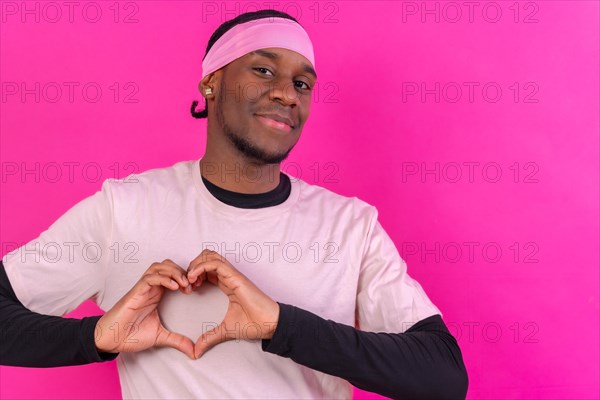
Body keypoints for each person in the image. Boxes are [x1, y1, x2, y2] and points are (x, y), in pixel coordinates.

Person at [0, 9, 468, 400]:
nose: (287, 93)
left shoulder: (351, 226)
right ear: (212, 83)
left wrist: (281, 326)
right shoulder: (125, 210)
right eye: (263, 70)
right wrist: (94, 338)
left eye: (302, 83)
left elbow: (442, 376)